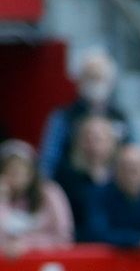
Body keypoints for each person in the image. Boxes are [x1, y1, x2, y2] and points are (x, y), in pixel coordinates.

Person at [37, 48, 132, 181]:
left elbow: (133, 154)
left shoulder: (121, 117)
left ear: (110, 82)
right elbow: (48, 161)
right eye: (90, 77)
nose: (95, 83)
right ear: (79, 80)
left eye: (99, 77)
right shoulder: (64, 116)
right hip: (72, 185)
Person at [85, 144, 140, 250]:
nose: (130, 175)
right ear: (115, 170)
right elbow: (97, 234)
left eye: (135, 169)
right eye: (124, 168)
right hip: (109, 263)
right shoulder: (99, 194)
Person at [0, 140, 74, 256]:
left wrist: (27, 244)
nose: (16, 174)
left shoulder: (50, 193)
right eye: (10, 169)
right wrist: (2, 200)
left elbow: (63, 237)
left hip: (46, 263)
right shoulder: (2, 198)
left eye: (21, 169)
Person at [53, 115, 120, 234]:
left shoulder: (121, 177)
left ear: (111, 142)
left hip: (118, 244)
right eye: (86, 139)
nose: (92, 145)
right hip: (80, 245)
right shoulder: (65, 177)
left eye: (97, 139)